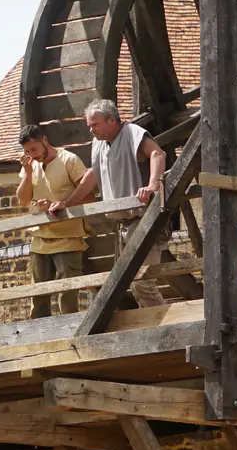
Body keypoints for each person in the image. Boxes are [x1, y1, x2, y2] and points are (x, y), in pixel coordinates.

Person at [14, 125, 89, 317]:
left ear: (45, 141)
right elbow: (22, 200)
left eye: (34, 149)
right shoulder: (30, 165)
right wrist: (28, 171)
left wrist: (61, 204)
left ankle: (71, 338)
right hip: (40, 239)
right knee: (38, 297)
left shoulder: (69, 160)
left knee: (67, 296)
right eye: (27, 151)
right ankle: (39, 341)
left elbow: (89, 194)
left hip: (68, 238)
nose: (31, 154)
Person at [55, 99, 168, 210]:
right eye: (89, 126)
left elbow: (157, 154)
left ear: (112, 120)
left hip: (143, 214)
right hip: (120, 219)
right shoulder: (98, 143)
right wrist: (66, 204)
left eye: (95, 125)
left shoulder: (132, 133)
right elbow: (94, 174)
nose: (91, 130)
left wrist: (152, 187)